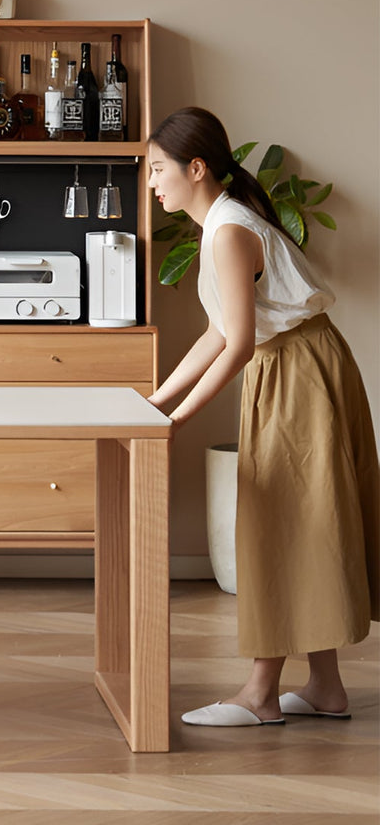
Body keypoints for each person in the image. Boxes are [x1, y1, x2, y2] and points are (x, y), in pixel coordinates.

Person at [147, 106, 378, 727]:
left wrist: (177, 420)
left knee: (280, 520)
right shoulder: (223, 222)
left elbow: (241, 343)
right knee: (299, 519)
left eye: (158, 169)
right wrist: (157, 400)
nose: (152, 183)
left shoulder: (228, 229)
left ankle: (260, 693)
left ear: (195, 168)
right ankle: (325, 686)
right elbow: (217, 330)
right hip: (299, 367)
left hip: (296, 374)